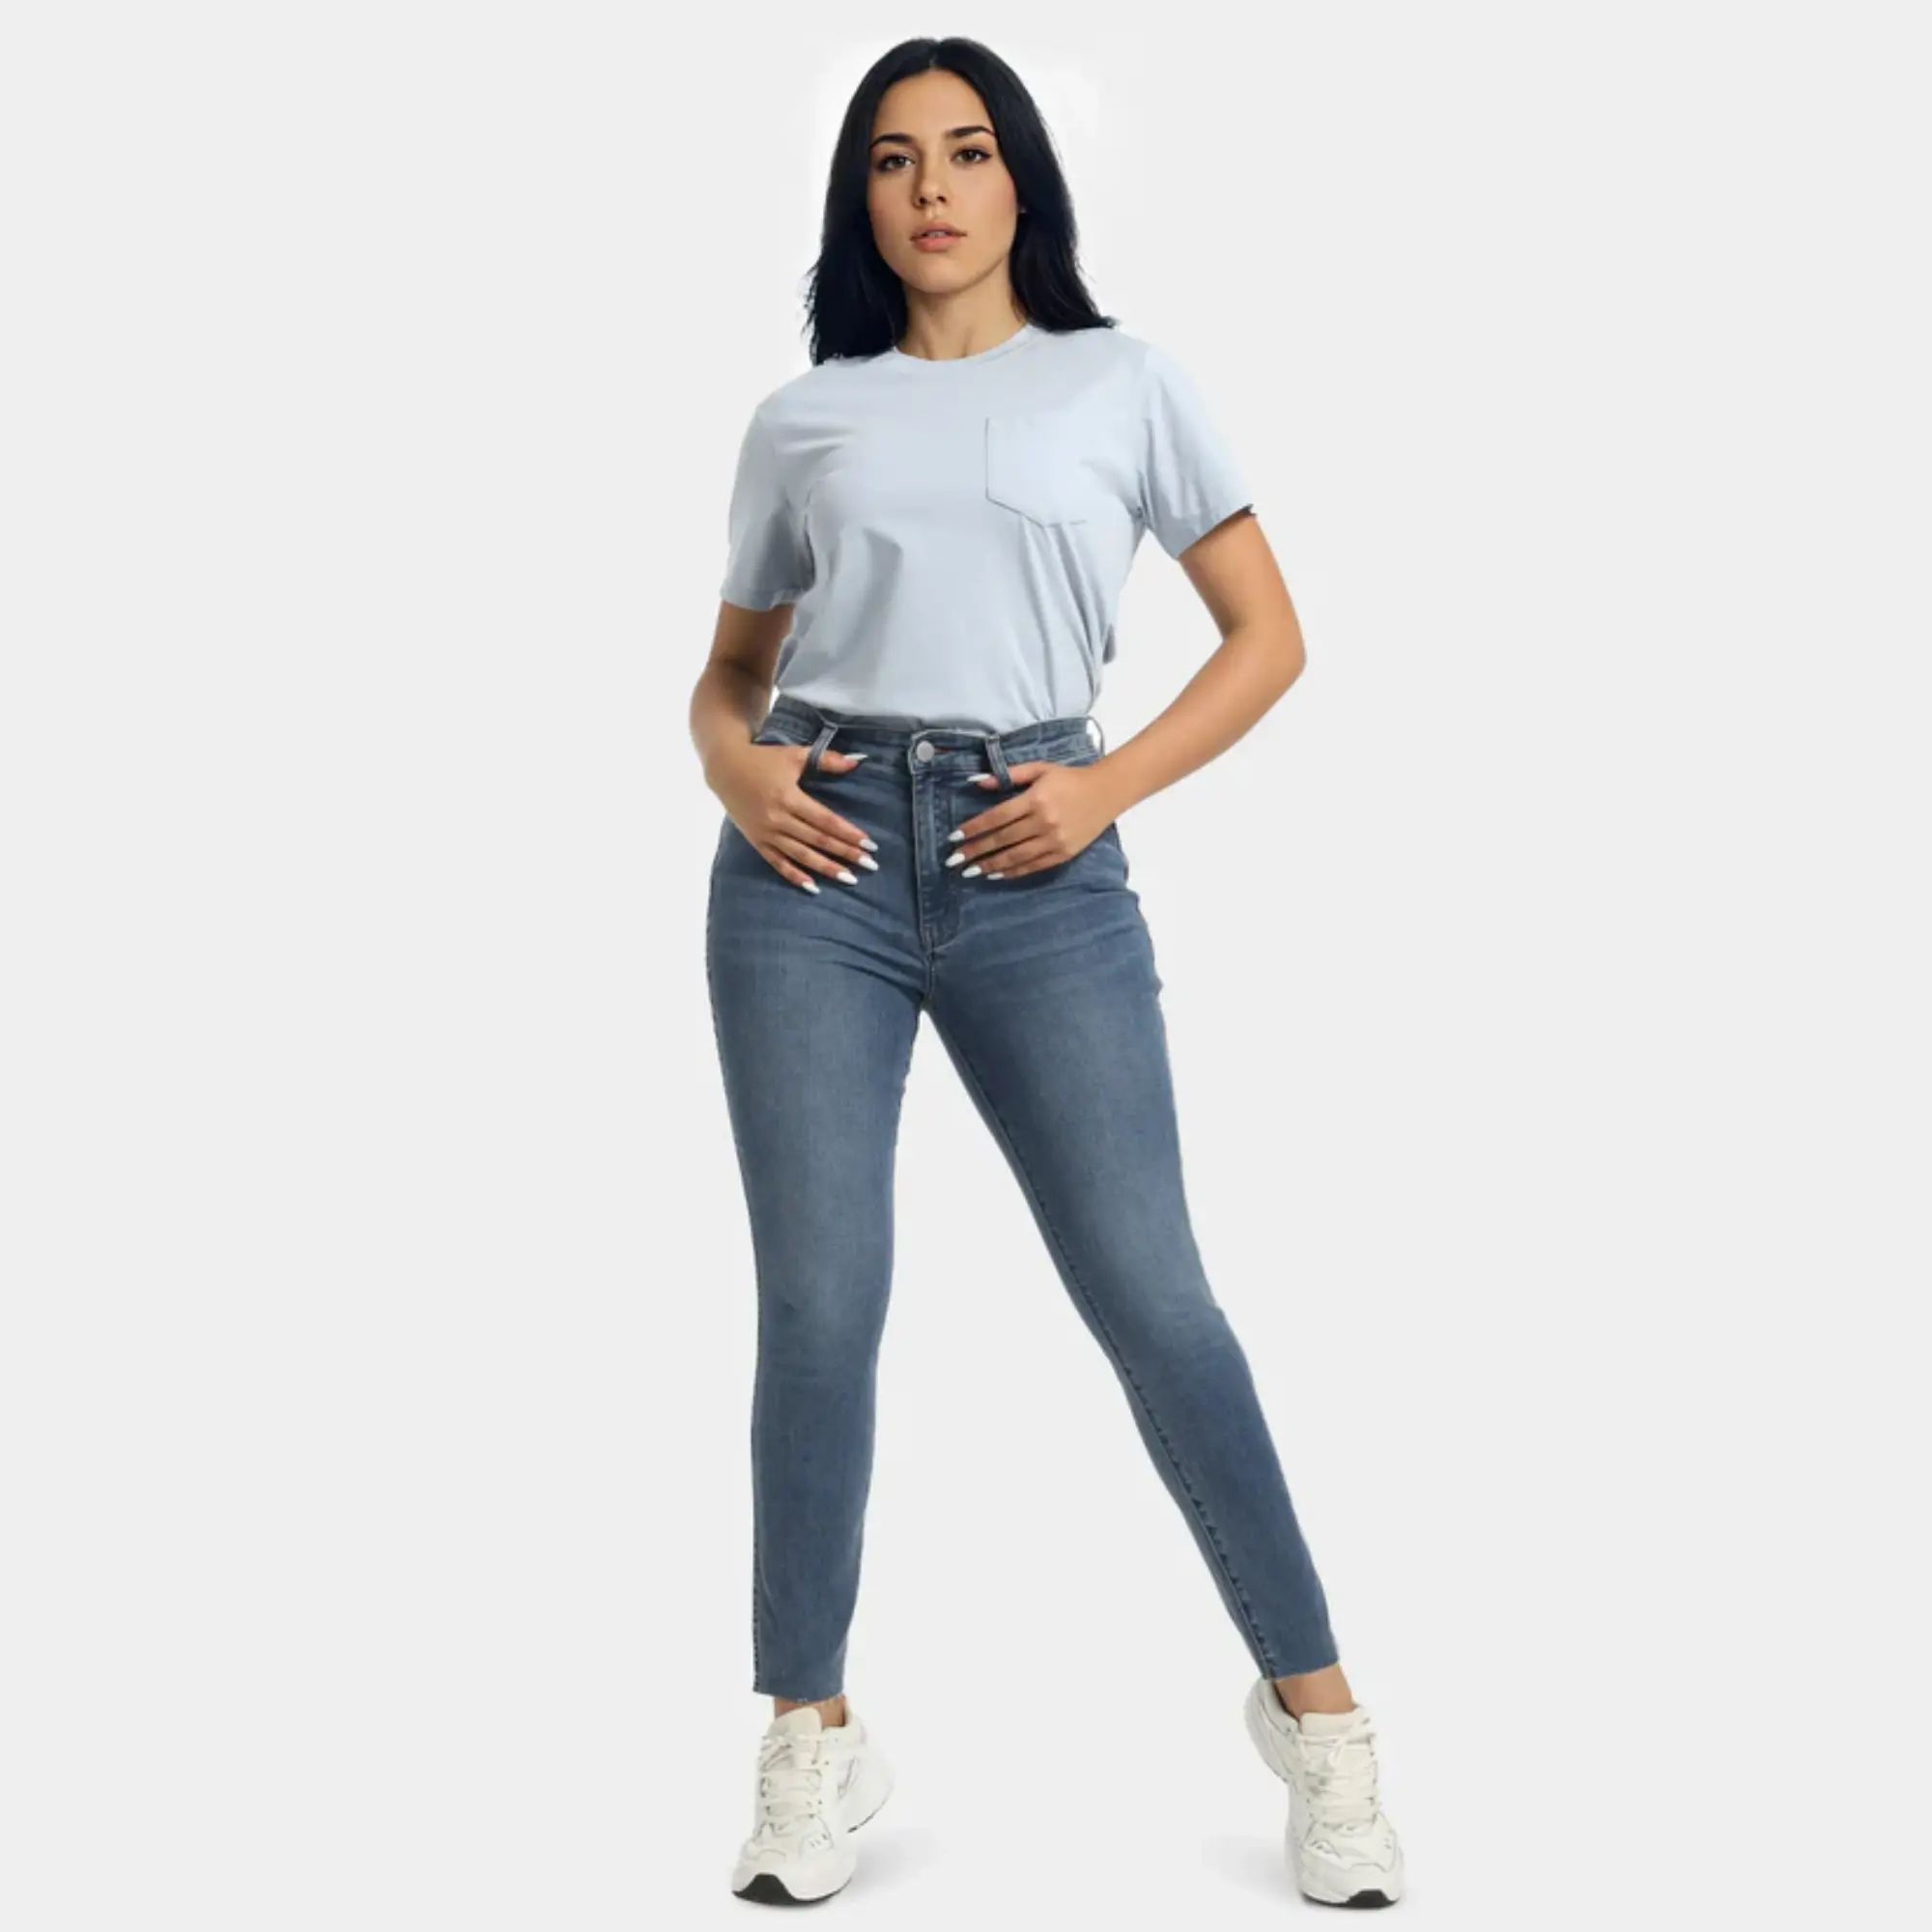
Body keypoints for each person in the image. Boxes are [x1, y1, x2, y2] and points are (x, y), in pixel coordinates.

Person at [692, 36, 1406, 1911]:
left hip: (1041, 853)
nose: (932, 188)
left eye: (967, 150)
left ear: (1021, 181)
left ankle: (1320, 1722)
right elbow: (730, 674)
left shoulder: (1124, 382)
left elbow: (1268, 636)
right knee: (820, 1307)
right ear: (860, 197)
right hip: (815, 861)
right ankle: (808, 1734)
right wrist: (734, 768)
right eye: (893, 159)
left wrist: (1100, 788)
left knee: (1156, 1300)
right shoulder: (806, 417)